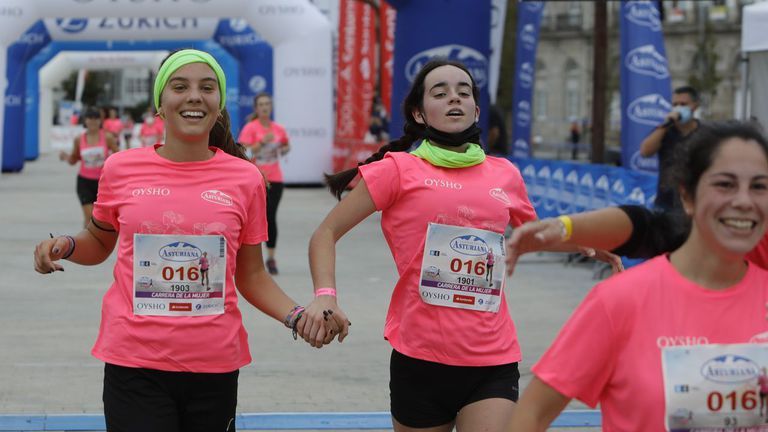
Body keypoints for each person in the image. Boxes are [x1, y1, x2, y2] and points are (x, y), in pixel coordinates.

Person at [34, 49, 341, 432]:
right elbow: (99, 241)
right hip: (134, 361)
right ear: (160, 104)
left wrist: (299, 317)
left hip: (214, 364)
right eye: (180, 87)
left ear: (219, 103)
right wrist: (66, 244)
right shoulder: (120, 168)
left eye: (207, 88)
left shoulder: (245, 179)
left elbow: (252, 276)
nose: (195, 96)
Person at [300, 59, 539, 432]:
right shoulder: (397, 170)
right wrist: (326, 295)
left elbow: (537, 235)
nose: (453, 99)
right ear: (419, 112)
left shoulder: (504, 174)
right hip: (420, 358)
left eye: (463, 92)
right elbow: (324, 235)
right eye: (440, 93)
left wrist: (589, 240)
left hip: (492, 357)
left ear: (476, 109)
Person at [508, 121, 768, 431]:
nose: (743, 200)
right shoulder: (621, 300)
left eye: (760, 187)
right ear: (687, 196)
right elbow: (531, 414)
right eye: (725, 184)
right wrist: (566, 228)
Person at [237, 92, 291, 275]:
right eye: (261, 104)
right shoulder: (250, 128)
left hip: (275, 179)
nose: (265, 107)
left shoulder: (278, 128)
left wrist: (284, 148)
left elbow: (286, 146)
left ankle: (271, 257)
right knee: (252, 219)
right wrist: (260, 142)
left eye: (267, 104)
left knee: (270, 216)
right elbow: (242, 151)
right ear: (256, 108)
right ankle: (250, 258)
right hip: (255, 179)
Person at [640, 85, 701, 210]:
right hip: (666, 201)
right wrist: (665, 125)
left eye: (683, 104)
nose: (678, 108)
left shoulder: (705, 132)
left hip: (694, 200)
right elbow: (645, 151)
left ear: (695, 106)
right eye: (675, 104)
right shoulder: (665, 130)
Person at [59, 108, 119, 228]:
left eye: (95, 118)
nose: (92, 121)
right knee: (89, 217)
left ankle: (97, 243)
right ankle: (86, 244)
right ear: (85, 121)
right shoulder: (78, 139)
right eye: (89, 118)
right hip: (84, 182)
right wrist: (65, 157)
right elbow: (73, 159)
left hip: (103, 183)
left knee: (101, 219)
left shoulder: (107, 137)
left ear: (99, 121)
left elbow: (118, 156)